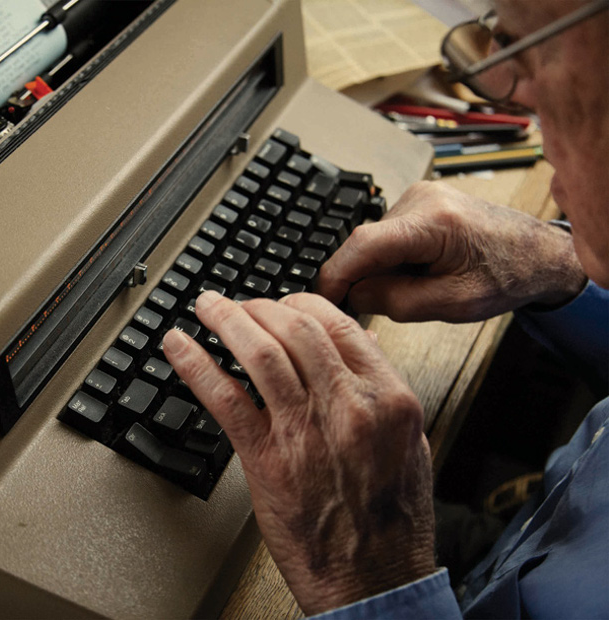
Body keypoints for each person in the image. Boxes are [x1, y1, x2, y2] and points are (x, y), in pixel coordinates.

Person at [162, 0, 609, 617]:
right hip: (525, 541)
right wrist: (564, 266)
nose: (514, 97)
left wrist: (375, 585)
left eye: (530, 50)